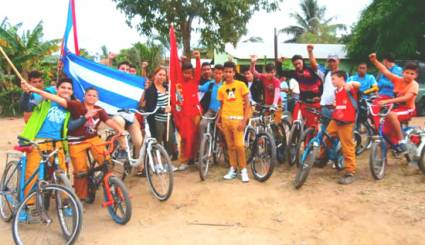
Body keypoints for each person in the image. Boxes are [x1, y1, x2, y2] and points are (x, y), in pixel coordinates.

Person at [18, 78, 74, 212]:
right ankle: (29, 205)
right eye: (63, 87)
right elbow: (26, 107)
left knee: (62, 172)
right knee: (32, 172)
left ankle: (65, 202)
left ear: (72, 92)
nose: (66, 90)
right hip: (38, 140)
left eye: (69, 88)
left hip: (58, 142)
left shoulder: (69, 106)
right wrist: (26, 93)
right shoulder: (44, 100)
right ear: (57, 89)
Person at [65, 87, 124, 200]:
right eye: (89, 95)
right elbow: (70, 123)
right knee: (80, 172)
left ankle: (109, 184)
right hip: (76, 142)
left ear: (97, 99)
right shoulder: (77, 106)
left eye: (94, 96)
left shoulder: (99, 110)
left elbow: (109, 121)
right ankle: (81, 198)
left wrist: (120, 129)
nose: (92, 97)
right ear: (84, 96)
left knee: (107, 162)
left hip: (93, 139)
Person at [369, 53, 419, 153]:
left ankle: (402, 141)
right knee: (384, 129)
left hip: (408, 110)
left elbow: (405, 98)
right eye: (407, 72)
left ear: (416, 76)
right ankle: (393, 146)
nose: (409, 75)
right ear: (403, 72)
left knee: (391, 114)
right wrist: (374, 61)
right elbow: (384, 70)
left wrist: (387, 101)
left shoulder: (414, 85)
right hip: (397, 109)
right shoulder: (398, 80)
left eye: (412, 74)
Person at [216, 61, 251, 182]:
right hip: (225, 120)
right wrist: (218, 120)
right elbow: (221, 106)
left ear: (234, 73)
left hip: (238, 120)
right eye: (226, 71)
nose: (228, 74)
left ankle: (243, 170)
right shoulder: (221, 89)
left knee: (239, 146)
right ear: (223, 73)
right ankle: (233, 168)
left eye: (230, 71)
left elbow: (247, 104)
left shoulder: (241, 85)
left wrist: (244, 120)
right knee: (230, 146)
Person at [326, 71, 360, 185]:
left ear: (341, 78)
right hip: (336, 121)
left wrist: (350, 83)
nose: (332, 81)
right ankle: (324, 158)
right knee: (325, 138)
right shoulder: (337, 91)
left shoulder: (349, 88)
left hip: (347, 122)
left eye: (334, 79)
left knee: (347, 147)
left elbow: (357, 85)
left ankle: (350, 171)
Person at [276, 45, 323, 128]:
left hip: (316, 103)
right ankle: (295, 136)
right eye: (295, 64)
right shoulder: (295, 73)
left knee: (312, 127)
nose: (297, 66)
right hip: (303, 102)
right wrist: (279, 62)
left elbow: (314, 64)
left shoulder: (310, 70)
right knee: (295, 122)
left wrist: (310, 52)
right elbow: (281, 73)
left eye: (299, 63)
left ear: (303, 62)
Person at [141, 67, 178, 168]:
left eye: (164, 75)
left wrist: (171, 107)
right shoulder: (150, 90)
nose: (162, 77)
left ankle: (167, 164)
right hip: (156, 120)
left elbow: (172, 103)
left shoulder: (167, 88)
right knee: (157, 141)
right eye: (159, 74)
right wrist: (162, 109)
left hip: (168, 119)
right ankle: (157, 164)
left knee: (169, 141)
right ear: (154, 76)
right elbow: (149, 107)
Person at [173, 51, 202, 170]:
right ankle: (184, 160)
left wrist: (198, 59)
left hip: (195, 113)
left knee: (195, 137)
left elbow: (198, 71)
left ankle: (193, 158)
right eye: (185, 73)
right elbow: (177, 72)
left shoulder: (195, 81)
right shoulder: (179, 83)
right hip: (184, 114)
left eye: (190, 73)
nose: (188, 75)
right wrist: (182, 62)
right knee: (185, 137)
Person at [249, 55, 281, 122]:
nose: (270, 74)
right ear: (266, 72)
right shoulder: (264, 77)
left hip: (277, 103)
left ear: (275, 72)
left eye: (272, 72)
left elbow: (277, 93)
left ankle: (280, 131)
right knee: (266, 121)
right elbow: (253, 72)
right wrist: (252, 63)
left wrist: (274, 104)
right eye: (268, 72)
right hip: (267, 103)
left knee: (276, 122)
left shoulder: (276, 81)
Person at [199, 64, 224, 136]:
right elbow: (198, 88)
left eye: (220, 73)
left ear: (222, 74)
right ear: (213, 73)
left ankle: (221, 144)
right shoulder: (210, 84)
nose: (217, 75)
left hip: (223, 111)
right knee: (202, 125)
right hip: (211, 111)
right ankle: (203, 144)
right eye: (216, 73)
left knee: (223, 129)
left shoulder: (225, 85)